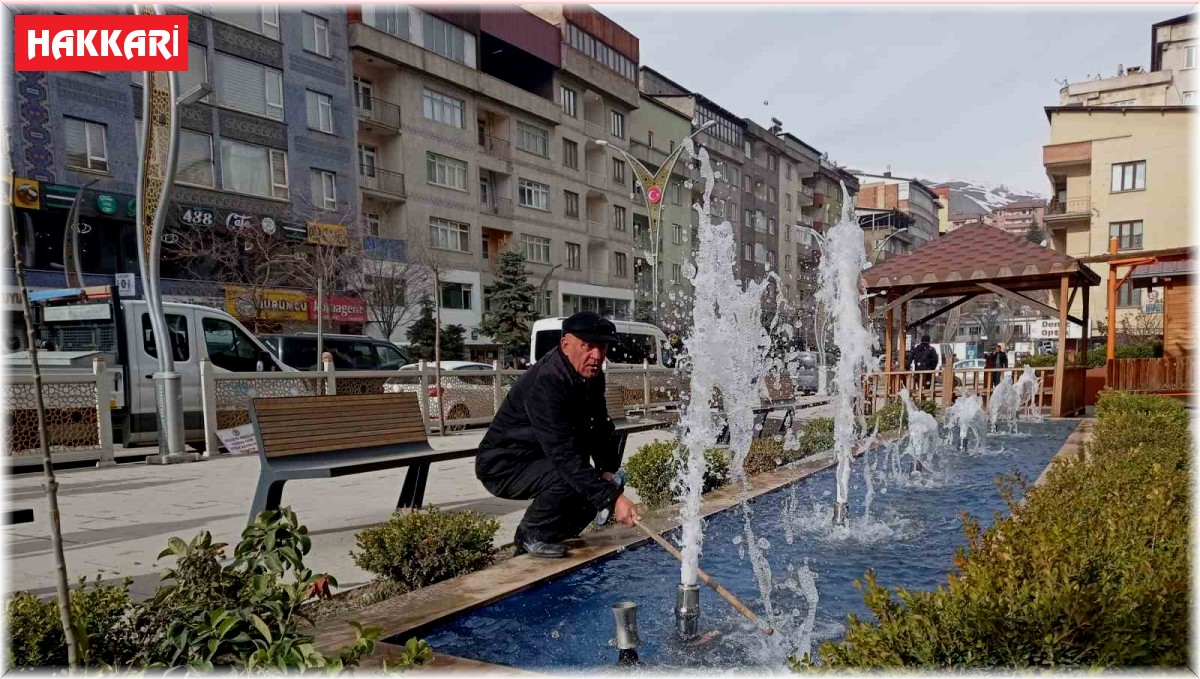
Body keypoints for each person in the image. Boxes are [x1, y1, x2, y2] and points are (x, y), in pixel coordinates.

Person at [475, 311, 640, 558]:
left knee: (594, 486)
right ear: (565, 344)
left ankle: (551, 538)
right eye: (588, 346)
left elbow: (600, 426)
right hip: (505, 464)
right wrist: (613, 498)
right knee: (570, 477)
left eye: (602, 348)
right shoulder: (546, 381)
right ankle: (530, 535)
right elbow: (563, 456)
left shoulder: (592, 376)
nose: (596, 356)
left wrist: (607, 471)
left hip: (543, 457)